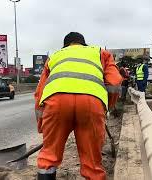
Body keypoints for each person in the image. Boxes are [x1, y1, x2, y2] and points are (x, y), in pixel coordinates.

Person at [34, 32, 122, 180]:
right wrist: (106, 107)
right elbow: (114, 83)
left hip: (56, 103)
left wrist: (41, 125)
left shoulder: (55, 56)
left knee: (48, 157)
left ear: (65, 46)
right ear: (84, 44)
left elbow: (40, 93)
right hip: (91, 103)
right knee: (92, 162)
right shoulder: (100, 53)